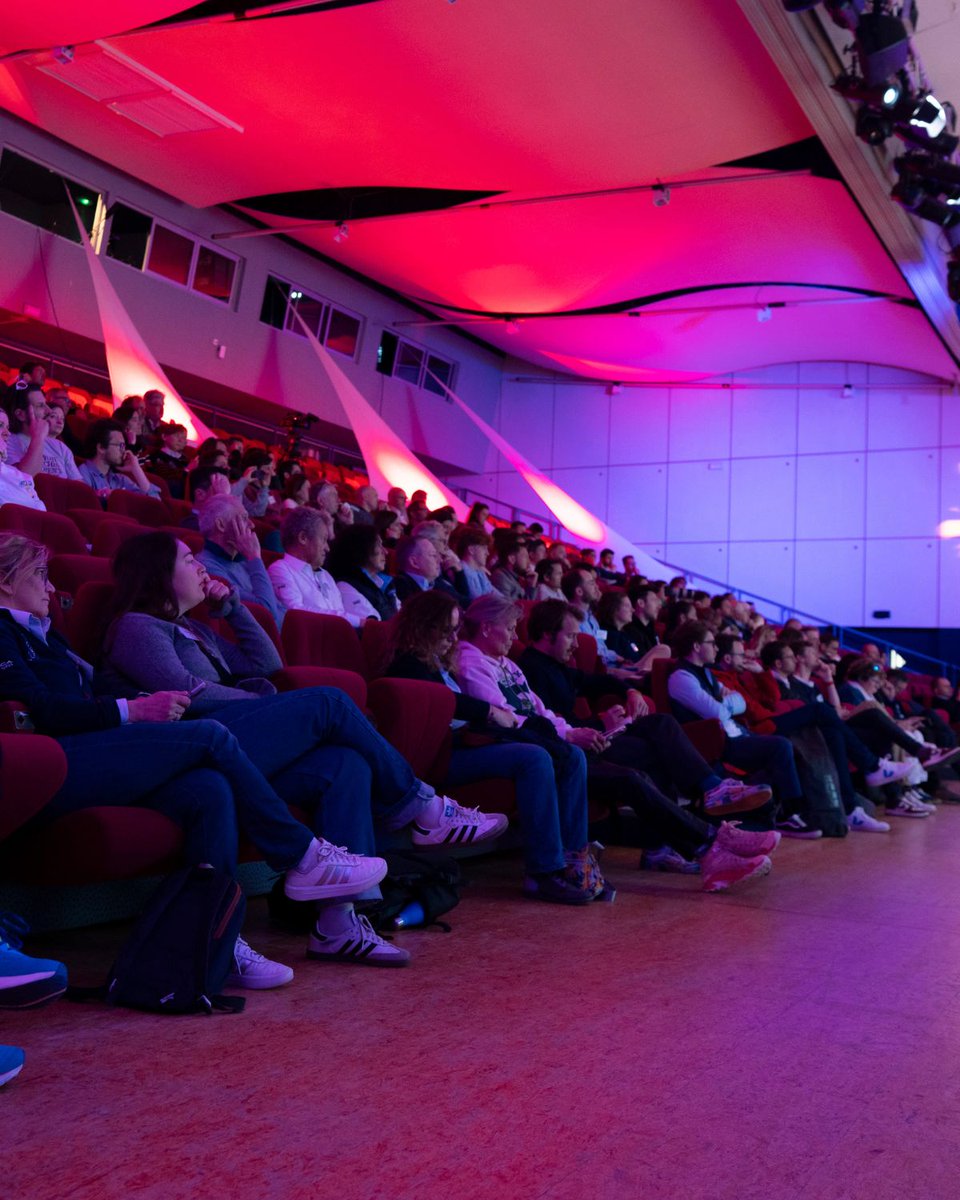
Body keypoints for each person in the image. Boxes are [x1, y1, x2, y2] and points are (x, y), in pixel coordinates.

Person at [101, 532, 509, 961]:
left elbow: (268, 666)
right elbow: (188, 694)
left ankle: (339, 924)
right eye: (189, 560)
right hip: (192, 750)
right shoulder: (135, 627)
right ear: (157, 575)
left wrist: (235, 609)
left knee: (346, 764)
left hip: (237, 745)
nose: (202, 567)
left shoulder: (195, 629)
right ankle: (422, 808)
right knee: (328, 701)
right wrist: (270, 707)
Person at [0, 532, 386, 983]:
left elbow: (266, 668)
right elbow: (39, 706)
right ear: (4, 583)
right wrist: (133, 709)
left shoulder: (49, 638)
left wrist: (234, 614)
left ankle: (215, 938)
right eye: (40, 577)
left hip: (103, 743)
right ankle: (306, 854)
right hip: (57, 759)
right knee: (220, 732)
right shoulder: (12, 631)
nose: (52, 588)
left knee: (210, 790)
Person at [456, 594, 777, 891]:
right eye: (509, 628)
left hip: (563, 746)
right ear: (486, 628)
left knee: (658, 732)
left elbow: (546, 713)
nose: (515, 637)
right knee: (638, 768)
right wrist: (583, 730)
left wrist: (597, 716)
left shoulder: (509, 665)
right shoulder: (474, 663)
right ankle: (710, 840)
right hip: (546, 754)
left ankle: (708, 829)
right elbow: (506, 718)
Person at [385, 590, 598, 903]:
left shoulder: (438, 662)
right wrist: (487, 712)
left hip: (464, 743)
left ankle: (571, 862)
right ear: (424, 628)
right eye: (447, 631)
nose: (453, 638)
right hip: (440, 756)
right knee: (535, 758)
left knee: (561, 754)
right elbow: (444, 701)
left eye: (455, 631)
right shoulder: (409, 664)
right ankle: (544, 872)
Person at [667, 621, 804, 834]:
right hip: (717, 743)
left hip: (735, 734)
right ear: (696, 647)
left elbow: (741, 703)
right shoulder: (681, 678)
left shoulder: (707, 674)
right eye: (711, 643)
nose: (717, 648)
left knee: (785, 749)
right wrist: (726, 703)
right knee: (780, 747)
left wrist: (725, 703)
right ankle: (789, 813)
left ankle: (770, 816)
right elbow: (718, 713)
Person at [197, 493, 285, 627]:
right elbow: (267, 613)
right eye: (244, 518)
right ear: (221, 525)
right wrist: (255, 557)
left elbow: (281, 608)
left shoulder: (242, 561)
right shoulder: (207, 567)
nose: (251, 525)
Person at [268, 507, 366, 625]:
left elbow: (340, 613)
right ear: (303, 538)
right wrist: (357, 621)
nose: (327, 548)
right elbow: (295, 612)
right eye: (324, 540)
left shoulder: (326, 575)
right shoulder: (280, 569)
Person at [4, 385, 81, 481]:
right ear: (21, 415)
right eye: (40, 405)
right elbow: (23, 479)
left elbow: (79, 488)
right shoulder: (6, 441)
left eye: (46, 404)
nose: (49, 410)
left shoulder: (60, 447)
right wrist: (38, 437)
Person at [326, 523, 399, 622]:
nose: (385, 552)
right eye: (378, 545)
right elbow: (373, 626)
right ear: (362, 548)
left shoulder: (385, 583)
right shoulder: (345, 586)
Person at [78, 419, 161, 498]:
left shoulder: (120, 479)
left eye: (124, 446)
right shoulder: (83, 473)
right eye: (120, 445)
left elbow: (154, 504)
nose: (124, 451)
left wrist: (136, 469)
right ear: (101, 448)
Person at [0, 409, 45, 511]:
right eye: (0, 425)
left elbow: (40, 509)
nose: (7, 433)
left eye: (7, 428)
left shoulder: (21, 476)